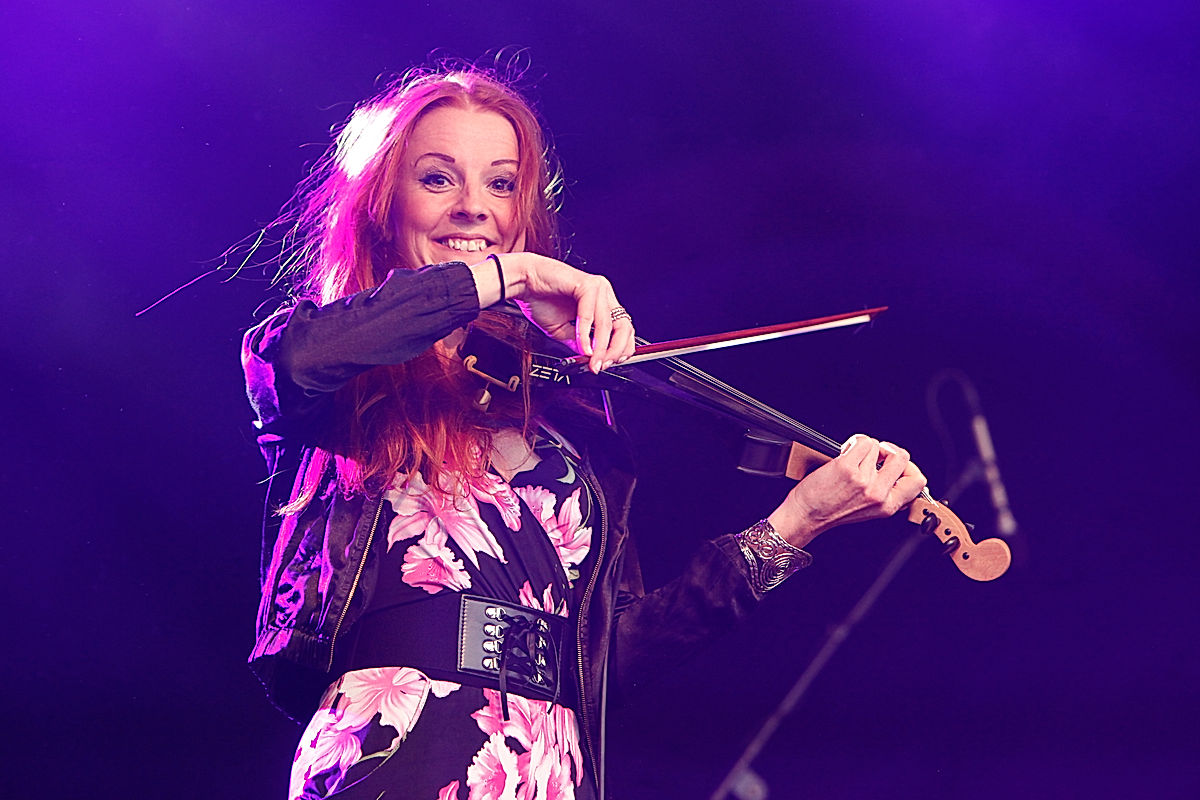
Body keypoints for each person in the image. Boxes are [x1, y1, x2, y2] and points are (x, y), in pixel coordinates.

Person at [240, 66, 926, 800]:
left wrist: (795, 524)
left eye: (501, 185)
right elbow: (298, 357)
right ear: (384, 204)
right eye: (439, 179)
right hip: (400, 751)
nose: (475, 209)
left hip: (551, 769)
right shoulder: (343, 378)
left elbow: (612, 660)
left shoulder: (562, 416)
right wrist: (510, 275)